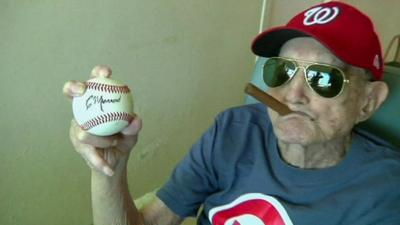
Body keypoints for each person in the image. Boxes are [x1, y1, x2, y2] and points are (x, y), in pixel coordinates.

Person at [63, 1, 400, 225]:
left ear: (368, 102)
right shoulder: (233, 131)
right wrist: (110, 169)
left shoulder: (385, 189)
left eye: (323, 78)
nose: (293, 94)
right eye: (281, 72)